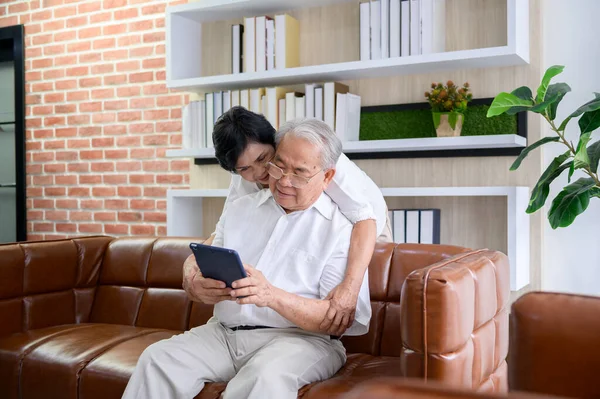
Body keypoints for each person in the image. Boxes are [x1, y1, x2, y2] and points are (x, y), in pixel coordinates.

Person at [122, 119, 371, 399]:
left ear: (327, 178)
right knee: (158, 359)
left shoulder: (343, 229)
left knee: (264, 377)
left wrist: (271, 296)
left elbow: (336, 321)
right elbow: (204, 257)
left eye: (299, 173)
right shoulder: (239, 208)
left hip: (300, 341)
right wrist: (196, 283)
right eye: (278, 166)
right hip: (223, 335)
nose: (283, 180)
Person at [183, 107, 390, 335]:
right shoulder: (244, 179)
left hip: (369, 225)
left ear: (274, 142)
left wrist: (349, 289)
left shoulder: (321, 160)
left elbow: (364, 219)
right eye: (244, 169)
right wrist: (191, 263)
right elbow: (227, 226)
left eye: (264, 159)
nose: (261, 172)